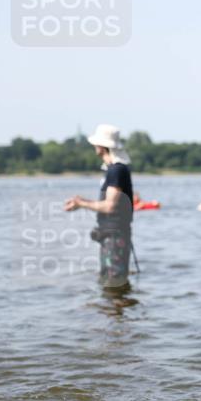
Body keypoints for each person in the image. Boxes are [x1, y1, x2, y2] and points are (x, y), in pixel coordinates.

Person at [64, 124, 134, 289]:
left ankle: (116, 312)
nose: (94, 146)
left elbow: (110, 206)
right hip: (113, 233)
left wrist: (81, 204)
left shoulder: (116, 170)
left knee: (113, 283)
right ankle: (118, 312)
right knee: (110, 283)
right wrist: (81, 201)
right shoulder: (113, 169)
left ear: (102, 146)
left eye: (96, 143)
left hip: (115, 234)